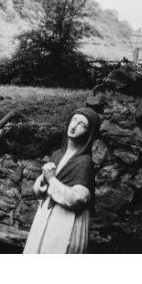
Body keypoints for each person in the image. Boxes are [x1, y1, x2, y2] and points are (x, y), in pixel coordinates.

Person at [23, 107, 100, 254]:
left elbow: (78, 199)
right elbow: (38, 192)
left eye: (82, 125)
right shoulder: (57, 155)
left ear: (88, 133)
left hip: (65, 223)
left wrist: (51, 179)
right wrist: (43, 181)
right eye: (74, 120)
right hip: (44, 218)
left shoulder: (84, 162)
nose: (75, 126)